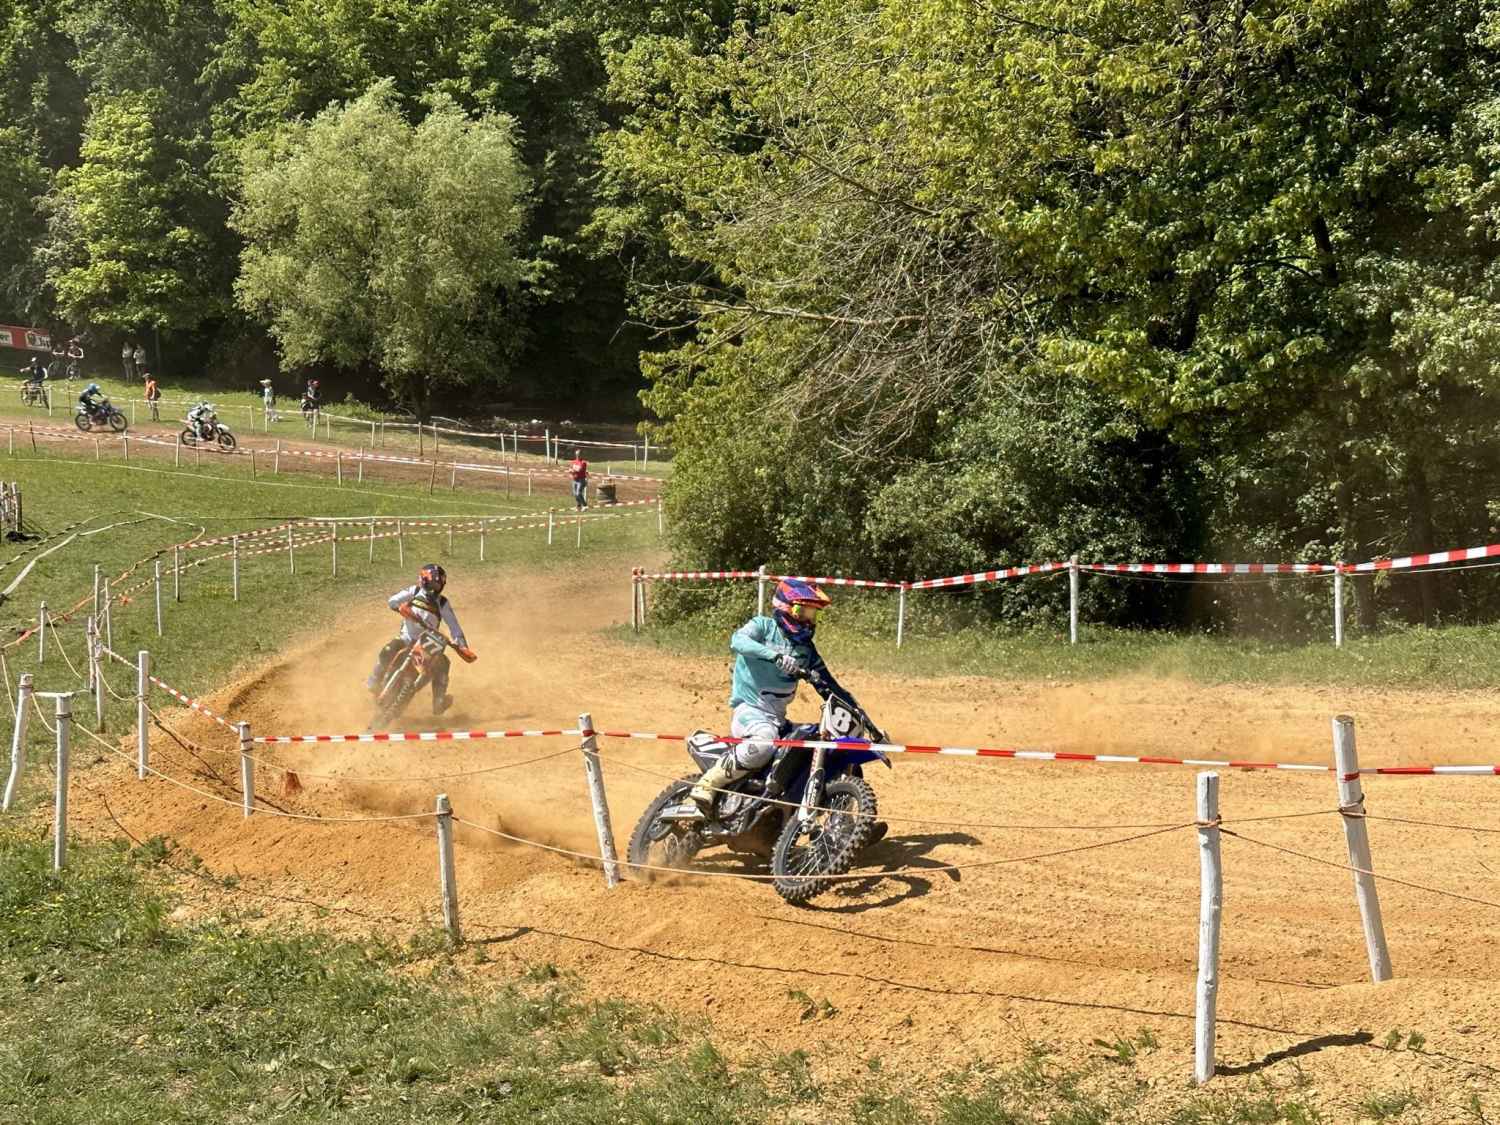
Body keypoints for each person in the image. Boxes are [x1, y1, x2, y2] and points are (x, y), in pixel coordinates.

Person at [690, 579, 855, 809]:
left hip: (777, 718)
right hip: (749, 710)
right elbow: (738, 641)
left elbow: (831, 686)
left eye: (814, 613)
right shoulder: (763, 626)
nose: (809, 619)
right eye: (803, 611)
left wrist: (863, 719)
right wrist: (774, 656)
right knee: (764, 742)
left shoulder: (806, 650)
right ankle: (707, 783)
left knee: (814, 740)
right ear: (785, 608)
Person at [365, 564, 477, 716]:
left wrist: (462, 646)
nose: (435, 587)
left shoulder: (442, 603)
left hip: (428, 645)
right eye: (432, 583)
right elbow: (392, 601)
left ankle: (439, 702)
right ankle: (374, 680)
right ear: (423, 580)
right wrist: (400, 608)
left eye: (438, 584)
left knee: (443, 662)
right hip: (407, 638)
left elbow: (454, 627)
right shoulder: (414, 591)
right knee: (388, 649)